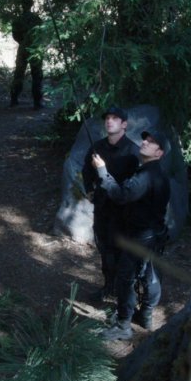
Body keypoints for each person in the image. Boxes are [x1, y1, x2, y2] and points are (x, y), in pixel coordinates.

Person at [92, 128, 170, 340]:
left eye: (151, 142)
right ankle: (145, 315)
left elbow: (119, 195)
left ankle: (123, 326)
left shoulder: (146, 176)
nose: (144, 143)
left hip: (140, 237)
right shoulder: (154, 173)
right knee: (149, 274)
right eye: (145, 139)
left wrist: (102, 171)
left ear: (159, 153)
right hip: (153, 234)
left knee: (126, 278)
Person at [81, 106, 140, 302]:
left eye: (115, 118)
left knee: (120, 252)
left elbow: (135, 185)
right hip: (102, 209)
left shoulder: (133, 152)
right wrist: (89, 189)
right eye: (107, 118)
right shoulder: (97, 147)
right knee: (104, 249)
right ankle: (108, 287)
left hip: (123, 213)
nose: (109, 121)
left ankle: (122, 295)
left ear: (124, 124)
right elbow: (86, 170)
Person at [10, 0, 43, 109]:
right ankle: (37, 103)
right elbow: (42, 33)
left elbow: (15, 35)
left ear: (22, 5)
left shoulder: (18, 19)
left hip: (23, 49)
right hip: (34, 49)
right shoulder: (37, 19)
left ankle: (14, 99)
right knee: (36, 75)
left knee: (19, 74)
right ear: (31, 5)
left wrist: (23, 42)